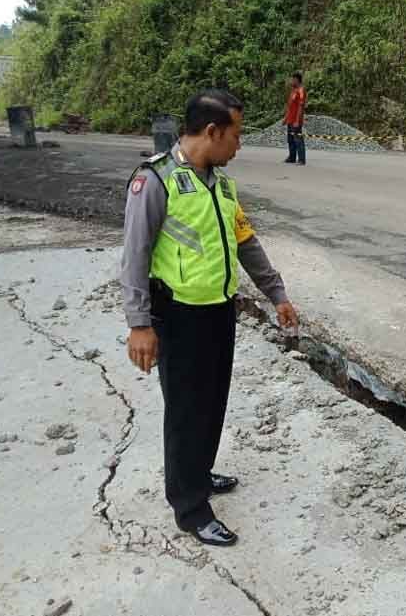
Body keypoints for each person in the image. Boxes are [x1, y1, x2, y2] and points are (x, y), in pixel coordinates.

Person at [121, 89, 299, 546]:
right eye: (236, 135)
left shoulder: (221, 184)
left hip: (219, 311)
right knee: (185, 411)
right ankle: (190, 507)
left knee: (213, 399)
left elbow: (246, 243)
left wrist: (275, 292)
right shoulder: (155, 181)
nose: (239, 146)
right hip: (177, 317)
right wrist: (139, 324)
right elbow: (135, 256)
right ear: (212, 132)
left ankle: (198, 471)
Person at [284, 72, 307, 165]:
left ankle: (301, 159)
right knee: (290, 139)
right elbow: (290, 106)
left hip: (296, 120)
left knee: (298, 139)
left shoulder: (301, 90)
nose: (291, 81)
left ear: (297, 80)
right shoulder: (293, 90)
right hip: (290, 119)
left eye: (292, 79)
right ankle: (292, 157)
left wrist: (297, 120)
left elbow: (301, 106)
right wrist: (286, 118)